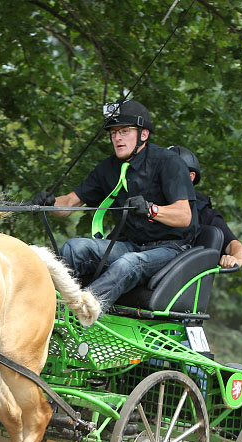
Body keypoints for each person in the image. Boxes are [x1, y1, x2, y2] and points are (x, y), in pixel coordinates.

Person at [33, 100, 198, 313]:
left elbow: (184, 216)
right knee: (75, 248)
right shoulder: (108, 168)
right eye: (113, 132)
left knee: (128, 263)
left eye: (125, 131)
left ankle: (78, 314)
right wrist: (50, 203)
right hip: (132, 244)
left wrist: (152, 209)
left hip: (170, 249)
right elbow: (68, 205)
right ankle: (39, 307)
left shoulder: (168, 162)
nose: (117, 138)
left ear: (143, 135)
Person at [166, 145, 242, 269]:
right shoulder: (146, 203)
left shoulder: (202, 211)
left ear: (190, 177)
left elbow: (234, 245)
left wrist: (235, 259)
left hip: (176, 273)